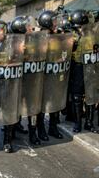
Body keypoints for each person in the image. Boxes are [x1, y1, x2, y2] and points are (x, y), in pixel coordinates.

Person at [0, 19, 24, 153]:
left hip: (8, 83)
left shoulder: (13, 44)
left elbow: (20, 60)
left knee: (8, 110)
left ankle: (7, 141)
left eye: (0, 30)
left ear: (5, 31)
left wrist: (19, 54)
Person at [10, 16, 48, 145]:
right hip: (17, 82)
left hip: (32, 81)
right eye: (27, 27)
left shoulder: (35, 40)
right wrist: (17, 53)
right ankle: (13, 130)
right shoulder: (12, 42)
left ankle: (33, 133)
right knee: (15, 107)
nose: (31, 28)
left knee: (32, 108)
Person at [37, 10, 70, 140]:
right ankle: (40, 129)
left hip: (55, 74)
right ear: (47, 22)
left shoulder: (58, 35)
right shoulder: (39, 37)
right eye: (54, 21)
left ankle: (53, 127)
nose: (56, 23)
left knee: (54, 100)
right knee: (41, 104)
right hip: (42, 76)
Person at [69, 9, 98, 133]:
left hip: (91, 66)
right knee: (77, 96)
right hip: (78, 67)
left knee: (91, 94)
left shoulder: (93, 33)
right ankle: (77, 123)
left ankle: (89, 122)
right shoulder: (72, 35)